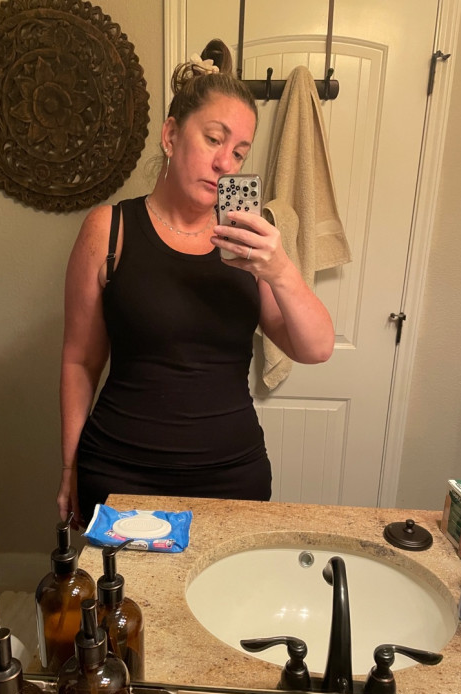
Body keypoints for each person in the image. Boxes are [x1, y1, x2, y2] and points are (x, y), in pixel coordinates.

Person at [57, 40, 335, 527]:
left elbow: (315, 348)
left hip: (232, 476)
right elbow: (80, 360)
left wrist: (280, 270)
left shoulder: (253, 241)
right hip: (120, 472)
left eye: (239, 152)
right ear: (170, 135)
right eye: (213, 139)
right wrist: (68, 468)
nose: (226, 162)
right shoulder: (109, 230)